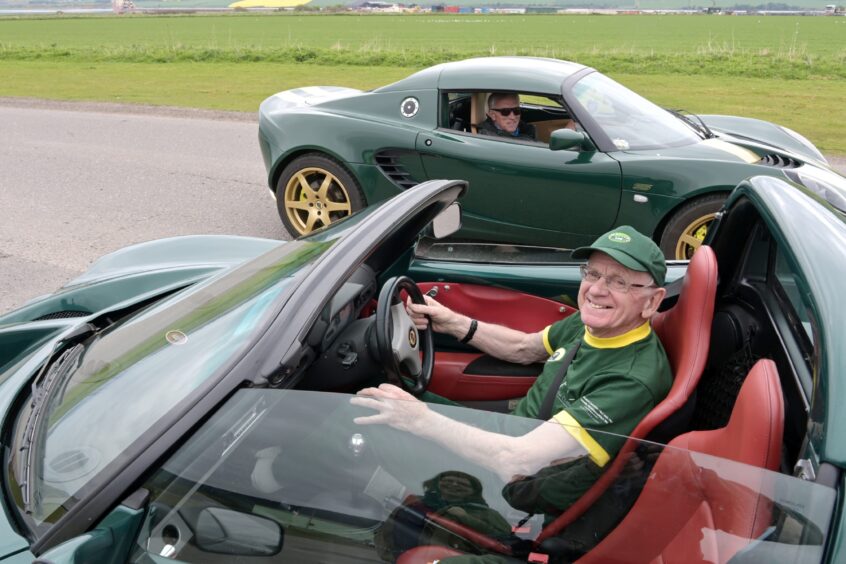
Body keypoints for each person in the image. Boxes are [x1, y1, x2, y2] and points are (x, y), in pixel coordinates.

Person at [352, 225, 672, 518]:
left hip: (516, 484)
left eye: (619, 282)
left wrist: (419, 419)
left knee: (354, 419)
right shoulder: (592, 323)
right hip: (509, 433)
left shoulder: (631, 379)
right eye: (593, 274)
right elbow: (524, 348)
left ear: (652, 301)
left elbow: (518, 461)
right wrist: (454, 322)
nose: (597, 290)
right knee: (374, 385)